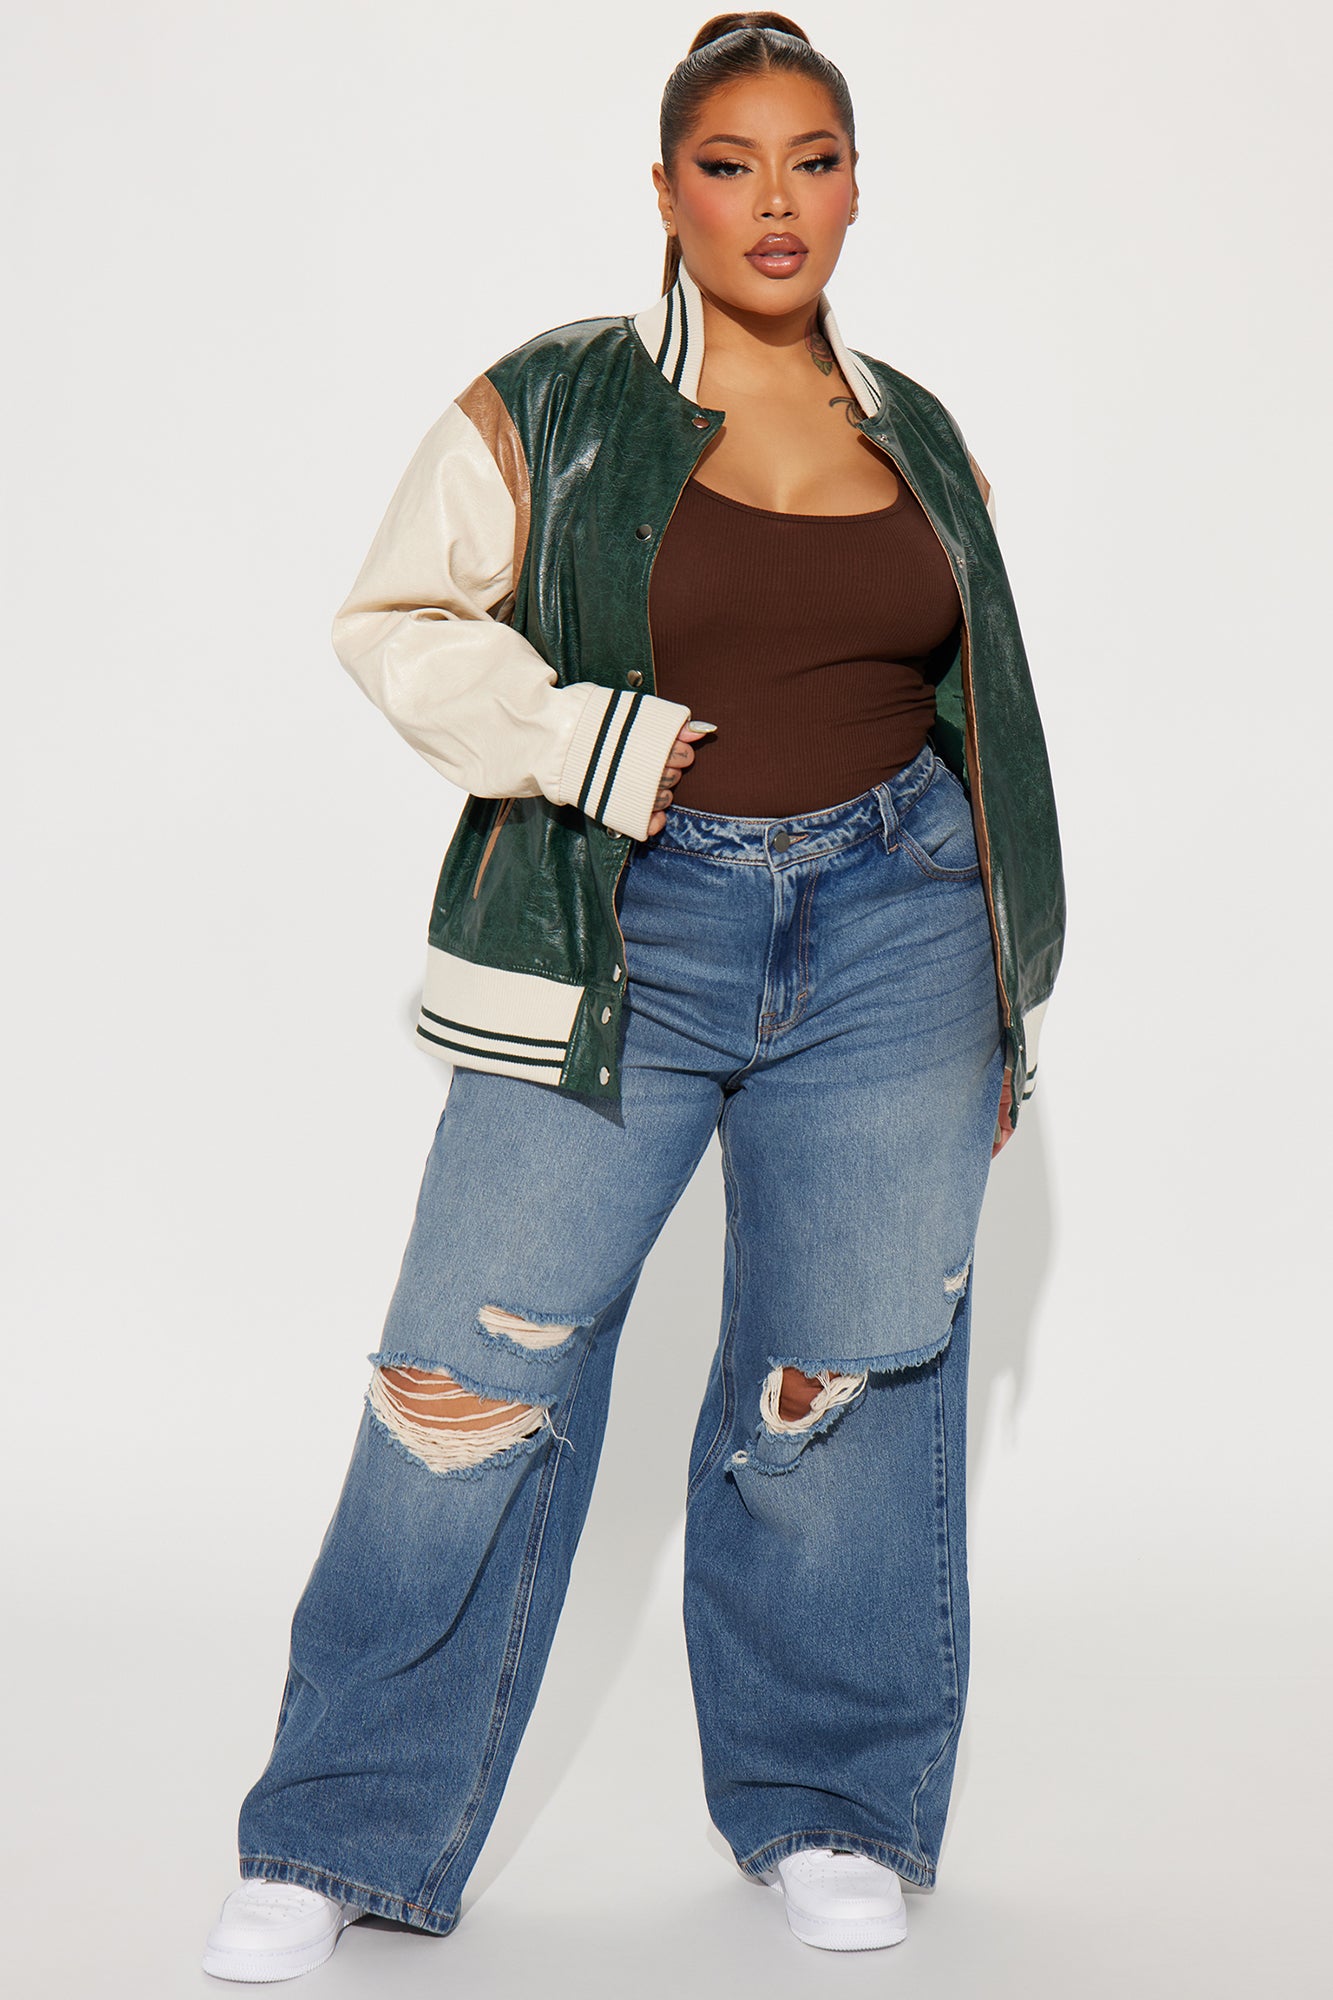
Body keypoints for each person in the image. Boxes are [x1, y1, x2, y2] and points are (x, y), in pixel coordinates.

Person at [202, 11, 1065, 1981]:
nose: (774, 202)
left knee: (844, 1378)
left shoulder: (917, 431)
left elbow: (979, 713)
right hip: (624, 930)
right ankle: (341, 1828)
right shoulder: (554, 401)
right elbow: (393, 618)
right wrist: (581, 741)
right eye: (730, 164)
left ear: (855, 186)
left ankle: (825, 1799)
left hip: (899, 932)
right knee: (466, 1378)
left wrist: (1003, 999)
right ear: (665, 192)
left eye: (812, 160)